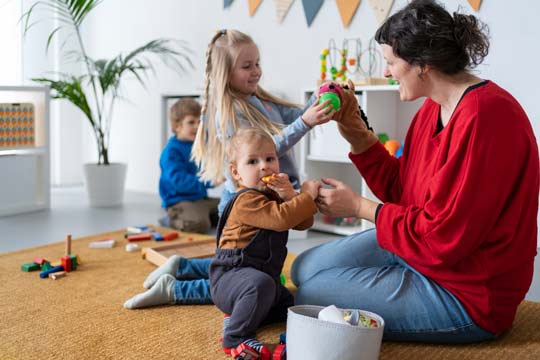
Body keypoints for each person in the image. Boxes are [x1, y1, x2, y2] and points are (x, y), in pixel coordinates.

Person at [291, 0, 539, 344]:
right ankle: (392, 280)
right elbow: (402, 189)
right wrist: (353, 129)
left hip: (467, 292)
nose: (387, 72)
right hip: (422, 254)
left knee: (311, 294)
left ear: (423, 63)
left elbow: (443, 238)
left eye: (391, 62)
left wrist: (360, 208)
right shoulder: (431, 109)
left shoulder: (487, 116)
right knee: (303, 269)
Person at [125, 29, 332, 308]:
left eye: (257, 63)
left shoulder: (261, 100)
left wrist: (320, 99)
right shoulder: (230, 111)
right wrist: (305, 123)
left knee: (238, 265)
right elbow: (265, 148)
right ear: (226, 73)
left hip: (265, 196)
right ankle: (173, 290)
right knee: (238, 278)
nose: (256, 71)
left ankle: (182, 266)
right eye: (247, 66)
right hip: (245, 203)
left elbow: (295, 117)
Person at [209, 128, 319, 359]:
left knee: (291, 304)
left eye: (270, 158)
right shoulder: (246, 200)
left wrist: (290, 195)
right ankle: (235, 336)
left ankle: (242, 313)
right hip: (231, 277)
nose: (264, 166)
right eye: (252, 161)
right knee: (260, 286)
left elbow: (303, 223)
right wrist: (305, 196)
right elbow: (281, 219)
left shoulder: (274, 196)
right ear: (236, 173)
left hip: (261, 278)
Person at [159, 98, 219, 233]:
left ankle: (205, 216)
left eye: (199, 122)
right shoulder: (171, 152)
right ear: (177, 126)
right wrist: (209, 181)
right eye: (191, 122)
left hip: (200, 198)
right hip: (180, 201)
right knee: (199, 224)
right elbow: (179, 182)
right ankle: (173, 218)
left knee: (231, 209)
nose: (197, 126)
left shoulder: (196, 145)